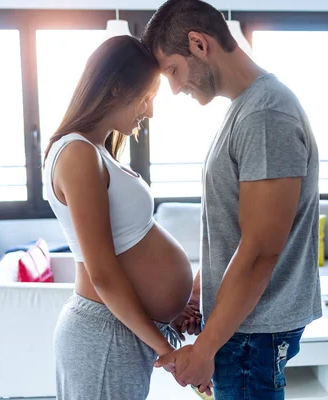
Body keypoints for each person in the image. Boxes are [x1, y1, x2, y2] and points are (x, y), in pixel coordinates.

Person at [142, 1, 323, 398]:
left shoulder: (266, 115)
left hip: (252, 333)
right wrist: (200, 290)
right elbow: (236, 228)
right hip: (246, 328)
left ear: (199, 44)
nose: (173, 88)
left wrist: (206, 347)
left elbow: (261, 250)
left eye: (173, 70)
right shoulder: (246, 109)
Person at [43, 35, 207, 400]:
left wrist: (168, 311)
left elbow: (127, 250)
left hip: (120, 329)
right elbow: (101, 273)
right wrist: (169, 353)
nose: (149, 112)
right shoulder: (77, 155)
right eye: (147, 98)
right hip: (104, 333)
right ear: (117, 87)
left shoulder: (97, 150)